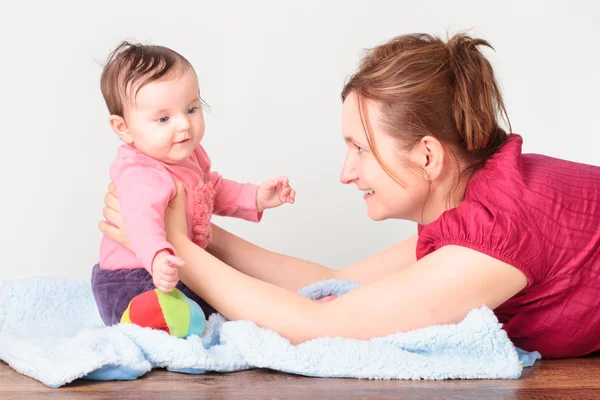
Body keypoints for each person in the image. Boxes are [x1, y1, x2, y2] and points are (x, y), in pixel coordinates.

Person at [99, 33, 600, 358]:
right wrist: (198, 231)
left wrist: (180, 249)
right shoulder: (475, 200)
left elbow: (320, 325)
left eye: (359, 149)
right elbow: (335, 285)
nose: (345, 172)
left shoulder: (497, 230)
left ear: (427, 156)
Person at [92, 42, 296, 330]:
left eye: (191, 109)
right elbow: (140, 220)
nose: (183, 125)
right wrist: (157, 256)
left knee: (229, 295)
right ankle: (144, 325)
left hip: (168, 265)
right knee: (214, 308)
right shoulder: (140, 171)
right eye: (163, 118)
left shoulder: (187, 157)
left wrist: (255, 197)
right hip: (133, 277)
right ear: (123, 128)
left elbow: (211, 189)